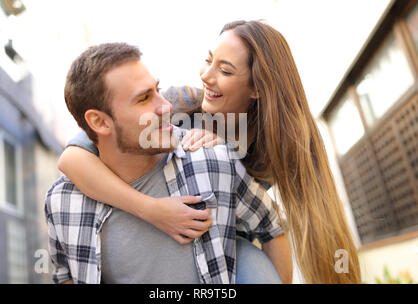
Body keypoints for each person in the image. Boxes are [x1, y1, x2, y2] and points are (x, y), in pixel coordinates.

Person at [58, 20, 362, 283]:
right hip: (173, 228)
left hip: (231, 239)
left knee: (250, 261)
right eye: (209, 59)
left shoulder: (278, 143)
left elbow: (292, 222)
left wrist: (223, 150)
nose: (205, 75)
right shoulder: (177, 103)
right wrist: (151, 209)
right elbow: (71, 159)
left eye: (225, 70)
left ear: (257, 89)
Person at [45, 42, 290, 284]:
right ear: (99, 122)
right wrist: (149, 208)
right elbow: (65, 273)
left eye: (157, 90)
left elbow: (273, 227)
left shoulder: (212, 159)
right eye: (143, 98)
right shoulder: (62, 201)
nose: (167, 107)